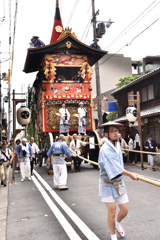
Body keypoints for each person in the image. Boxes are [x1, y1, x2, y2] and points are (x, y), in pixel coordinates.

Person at [98, 121, 137, 240]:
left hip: (119, 183)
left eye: (116, 130)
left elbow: (119, 166)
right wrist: (130, 174)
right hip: (107, 183)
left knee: (125, 209)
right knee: (112, 211)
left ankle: (117, 223)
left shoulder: (117, 145)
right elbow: (115, 168)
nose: (116, 133)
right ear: (106, 134)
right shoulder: (105, 149)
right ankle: (113, 235)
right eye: (113, 131)